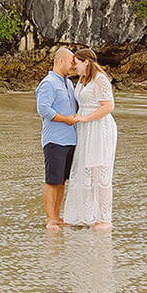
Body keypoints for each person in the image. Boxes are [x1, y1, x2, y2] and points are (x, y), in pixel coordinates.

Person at [61, 49, 118, 229]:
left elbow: (108, 106)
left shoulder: (100, 79)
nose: (73, 67)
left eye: (76, 63)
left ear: (86, 62)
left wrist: (85, 118)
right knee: (84, 169)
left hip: (99, 128)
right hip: (85, 129)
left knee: (99, 171)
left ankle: (104, 219)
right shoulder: (82, 79)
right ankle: (86, 215)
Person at [35, 45, 82, 230]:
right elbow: (43, 109)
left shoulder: (68, 83)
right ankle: (50, 219)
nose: (73, 65)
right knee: (52, 180)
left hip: (71, 139)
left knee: (62, 181)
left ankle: (58, 216)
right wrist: (65, 120)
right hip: (54, 140)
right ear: (60, 61)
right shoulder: (48, 83)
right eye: (71, 62)